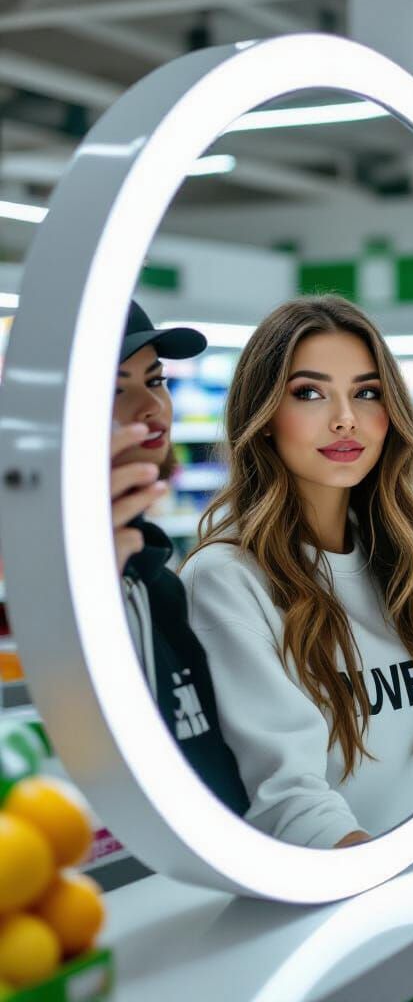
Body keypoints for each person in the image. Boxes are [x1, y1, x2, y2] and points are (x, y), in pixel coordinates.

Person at [179, 295, 413, 849]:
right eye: (309, 393)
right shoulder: (227, 580)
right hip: (343, 902)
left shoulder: (408, 558)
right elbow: (286, 800)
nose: (345, 418)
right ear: (262, 418)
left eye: (366, 393)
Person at [113, 300, 249, 817]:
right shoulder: (30, 592)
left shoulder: (163, 588)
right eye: (112, 390)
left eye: (155, 380)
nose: (150, 408)